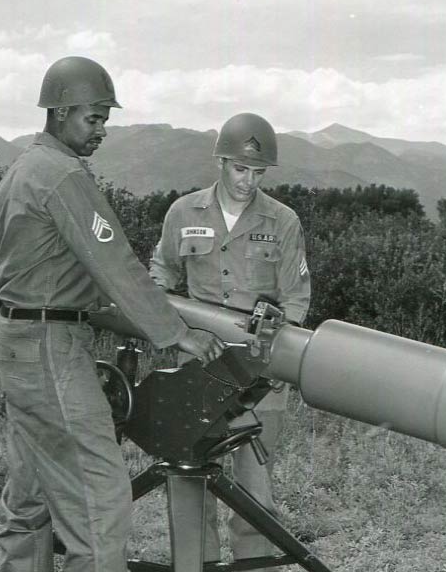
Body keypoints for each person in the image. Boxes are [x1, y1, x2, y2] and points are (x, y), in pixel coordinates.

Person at [0, 55, 225, 572]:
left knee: (31, 494)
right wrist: (177, 334)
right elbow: (119, 265)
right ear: (60, 113)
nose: (102, 129)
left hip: (17, 344)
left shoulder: (21, 169)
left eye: (106, 118)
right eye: (94, 117)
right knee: (101, 500)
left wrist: (41, 278)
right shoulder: (63, 175)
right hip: (50, 349)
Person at [149, 112, 311, 568]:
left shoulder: (282, 220)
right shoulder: (183, 212)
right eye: (240, 169)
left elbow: (296, 299)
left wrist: (277, 350)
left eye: (258, 172)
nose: (248, 180)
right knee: (191, 483)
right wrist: (175, 325)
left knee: (254, 492)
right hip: (199, 366)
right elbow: (160, 271)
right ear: (221, 162)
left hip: (258, 374)